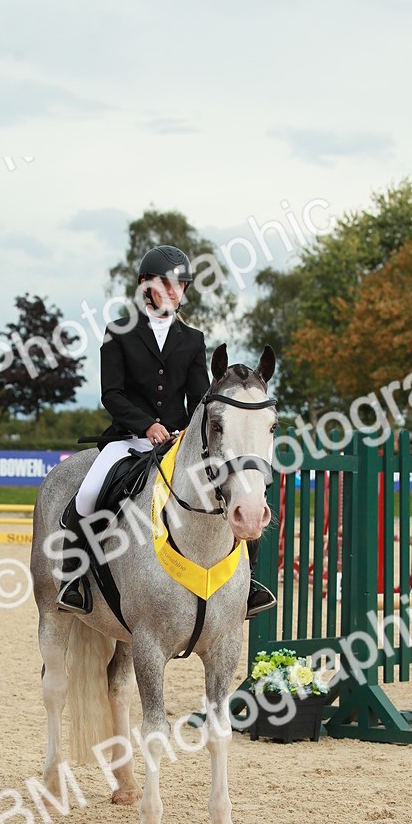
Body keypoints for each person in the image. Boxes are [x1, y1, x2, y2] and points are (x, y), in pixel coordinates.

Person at [56, 244, 276, 619]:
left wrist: (186, 430)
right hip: (128, 440)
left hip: (178, 442)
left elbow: (199, 398)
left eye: (180, 285)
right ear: (146, 285)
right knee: (88, 495)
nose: (174, 292)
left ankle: (249, 583)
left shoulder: (192, 339)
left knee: (235, 490)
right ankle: (73, 580)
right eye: (166, 284)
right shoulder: (118, 333)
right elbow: (112, 394)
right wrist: (146, 424)